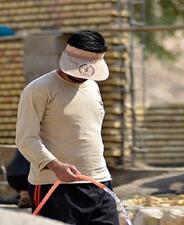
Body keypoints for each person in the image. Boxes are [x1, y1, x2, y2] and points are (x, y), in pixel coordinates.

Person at [15, 30, 119, 225]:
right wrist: (56, 166)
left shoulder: (93, 87)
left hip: (99, 182)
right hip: (54, 186)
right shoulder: (38, 89)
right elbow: (25, 139)